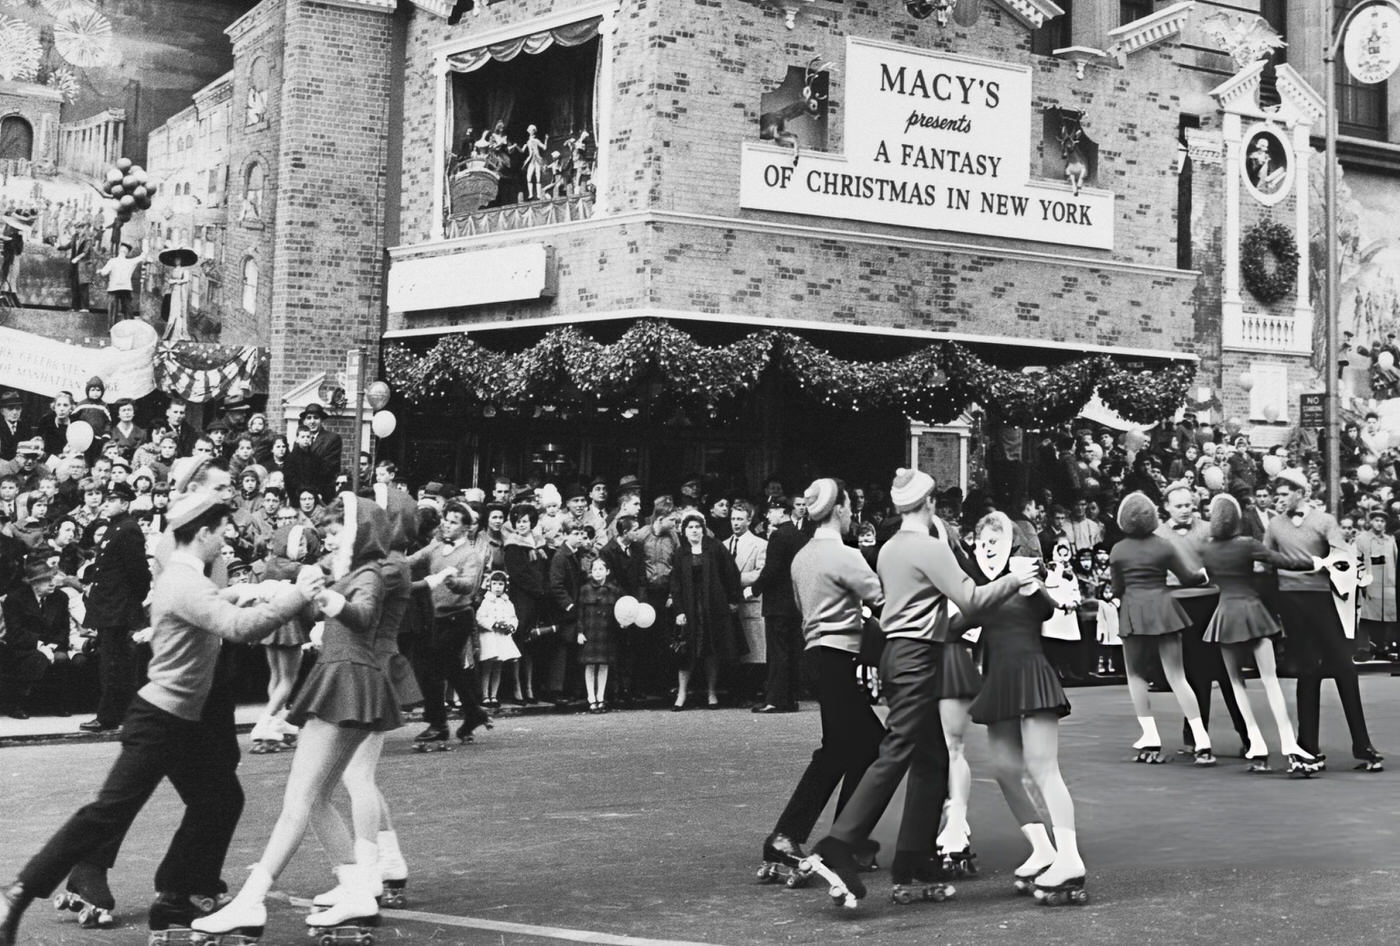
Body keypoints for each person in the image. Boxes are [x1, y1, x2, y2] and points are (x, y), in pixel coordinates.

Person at [0, 495, 323, 946]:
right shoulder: (185, 581)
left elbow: (210, 603)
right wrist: (296, 595)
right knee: (108, 812)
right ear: (204, 533)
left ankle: (176, 897)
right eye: (221, 532)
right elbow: (240, 627)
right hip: (159, 721)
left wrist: (243, 592)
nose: (225, 540)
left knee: (220, 798)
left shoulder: (185, 576)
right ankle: (16, 893)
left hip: (181, 719)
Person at [804, 470, 1033, 908]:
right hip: (917, 657)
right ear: (929, 504)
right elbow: (971, 600)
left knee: (931, 756)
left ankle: (913, 861)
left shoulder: (891, 548)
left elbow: (925, 610)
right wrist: (1014, 581)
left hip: (900, 654)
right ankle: (838, 843)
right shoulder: (930, 547)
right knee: (899, 750)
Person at [193, 493, 402, 940]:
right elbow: (309, 605)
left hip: (347, 679)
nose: (330, 540)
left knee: (299, 800)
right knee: (318, 796)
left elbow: (362, 615)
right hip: (347, 679)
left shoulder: (369, 572)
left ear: (359, 532)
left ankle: (250, 902)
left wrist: (324, 596)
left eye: (336, 532)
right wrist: (256, 593)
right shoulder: (350, 572)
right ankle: (357, 890)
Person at [756, 478, 884, 888]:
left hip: (815, 653)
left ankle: (840, 836)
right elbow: (883, 601)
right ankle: (804, 836)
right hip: (840, 655)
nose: (851, 514)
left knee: (857, 745)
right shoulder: (846, 555)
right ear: (840, 508)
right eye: (849, 506)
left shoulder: (802, 557)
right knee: (857, 748)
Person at [309, 484, 421, 915]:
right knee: (359, 776)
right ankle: (388, 863)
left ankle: (370, 872)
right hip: (370, 665)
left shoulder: (385, 566)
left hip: (371, 667)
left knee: (358, 777)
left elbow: (353, 596)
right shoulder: (388, 563)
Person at [965, 511, 1086, 905]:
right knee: (1004, 769)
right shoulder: (978, 584)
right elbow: (960, 621)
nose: (988, 547)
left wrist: (1036, 586)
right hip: (998, 681)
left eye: (996, 540)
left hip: (1032, 675)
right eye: (983, 540)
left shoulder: (1027, 576)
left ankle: (1069, 857)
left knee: (1043, 768)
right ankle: (1043, 848)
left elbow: (1047, 609)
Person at [1265, 469, 1385, 771]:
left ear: (1301, 492)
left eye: (1285, 494)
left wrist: (1320, 564)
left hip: (1323, 601)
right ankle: (1308, 748)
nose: (1280, 500)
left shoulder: (1324, 521)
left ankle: (1363, 745)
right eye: (1277, 495)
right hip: (1290, 602)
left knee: (1345, 668)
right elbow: (1266, 559)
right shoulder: (1275, 524)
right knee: (1307, 671)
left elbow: (1341, 557)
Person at [1198, 494, 1323, 775]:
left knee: (1236, 682)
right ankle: (1289, 742)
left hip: (1225, 615)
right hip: (1252, 612)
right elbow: (1283, 561)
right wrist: (1315, 562)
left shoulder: (1207, 548)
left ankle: (1255, 742)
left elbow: (1203, 576)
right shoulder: (1247, 544)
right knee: (1270, 680)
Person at [1109, 491, 1215, 765]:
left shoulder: (1118, 550)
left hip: (1134, 611)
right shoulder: (1164, 546)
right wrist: (1204, 575)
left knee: (1136, 675)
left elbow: (1116, 588)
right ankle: (1201, 737)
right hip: (1165, 610)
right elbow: (1188, 578)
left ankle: (1150, 734)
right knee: (1178, 676)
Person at [405, 501, 491, 746]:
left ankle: (438, 724)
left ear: (465, 528)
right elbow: (412, 560)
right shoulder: (436, 545)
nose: (446, 524)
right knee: (452, 669)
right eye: (446, 519)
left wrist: (451, 581)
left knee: (432, 668)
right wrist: (389, 562)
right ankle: (474, 712)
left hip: (457, 617)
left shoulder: (470, 554)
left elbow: (469, 584)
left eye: (454, 522)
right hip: (436, 617)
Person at [79, 482, 150, 734]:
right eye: (107, 499)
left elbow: (138, 572)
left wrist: (131, 600)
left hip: (118, 607)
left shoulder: (128, 528)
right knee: (113, 663)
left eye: (112, 500)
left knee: (113, 664)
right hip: (110, 606)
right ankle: (119, 714)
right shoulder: (115, 527)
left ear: (125, 503)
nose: (106, 504)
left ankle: (109, 716)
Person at [248, 522, 320, 753]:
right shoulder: (299, 569)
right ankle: (265, 723)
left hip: (271, 624)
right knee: (288, 679)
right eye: (299, 543)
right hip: (290, 625)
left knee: (276, 677)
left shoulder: (270, 565)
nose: (303, 548)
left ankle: (278, 721)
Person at [669, 511, 743, 710]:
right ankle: (682, 694)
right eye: (690, 527)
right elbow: (675, 584)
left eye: (697, 527)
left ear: (703, 529)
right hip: (689, 608)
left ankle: (712, 693)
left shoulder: (715, 547)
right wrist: (679, 611)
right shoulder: (680, 552)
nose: (694, 530)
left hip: (713, 607)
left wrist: (733, 599)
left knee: (711, 649)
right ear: (684, 531)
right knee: (686, 652)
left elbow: (731, 573)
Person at [748, 496, 807, 713]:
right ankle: (790, 698)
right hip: (794, 602)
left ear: (781, 511)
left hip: (777, 603)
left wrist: (753, 589)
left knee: (777, 652)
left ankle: (774, 699)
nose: (768, 515)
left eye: (771, 511)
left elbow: (771, 570)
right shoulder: (799, 535)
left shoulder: (778, 536)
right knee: (791, 651)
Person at [503, 503, 549, 704]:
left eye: (524, 521)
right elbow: (518, 573)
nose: (521, 525)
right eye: (517, 521)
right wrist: (538, 589)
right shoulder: (512, 545)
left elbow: (545, 569)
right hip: (521, 597)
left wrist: (544, 590)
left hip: (538, 598)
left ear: (532, 523)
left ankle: (530, 687)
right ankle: (517, 687)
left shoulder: (539, 543)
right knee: (519, 641)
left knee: (533, 644)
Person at [576, 558, 619, 712]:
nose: (598, 572)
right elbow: (580, 613)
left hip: (606, 632)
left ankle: (601, 697)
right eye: (594, 569)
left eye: (601, 569)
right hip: (590, 632)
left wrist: (622, 623)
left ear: (607, 571)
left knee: (603, 665)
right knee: (590, 665)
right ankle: (591, 698)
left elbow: (619, 611)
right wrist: (580, 632)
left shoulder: (614, 590)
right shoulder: (585, 589)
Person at [1357, 509, 1398, 663]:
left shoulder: (1390, 541)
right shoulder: (1362, 539)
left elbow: (1396, 560)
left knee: (1386, 617)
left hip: (1388, 584)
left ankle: (1383, 648)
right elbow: (1357, 560)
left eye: (1382, 521)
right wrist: (1362, 579)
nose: (1379, 524)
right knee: (1367, 617)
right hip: (1369, 583)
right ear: (1371, 522)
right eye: (1376, 520)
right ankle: (1364, 649)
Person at [476, 569, 521, 710]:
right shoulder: (486, 602)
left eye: (500, 584)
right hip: (490, 637)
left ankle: (494, 695)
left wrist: (511, 626)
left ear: (505, 586)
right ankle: (485, 696)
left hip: (502, 638)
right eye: (494, 584)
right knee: (487, 667)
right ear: (490, 585)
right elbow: (480, 618)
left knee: (498, 667)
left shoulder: (507, 603)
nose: (497, 587)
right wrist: (494, 624)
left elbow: (513, 618)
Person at [97, 243, 145, 326]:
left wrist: (100, 271)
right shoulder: (130, 262)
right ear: (127, 253)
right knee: (128, 310)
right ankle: (130, 328)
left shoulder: (112, 261)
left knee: (112, 311)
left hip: (113, 288)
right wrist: (145, 247)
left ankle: (111, 329)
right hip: (125, 288)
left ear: (119, 250)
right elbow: (142, 257)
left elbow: (104, 273)